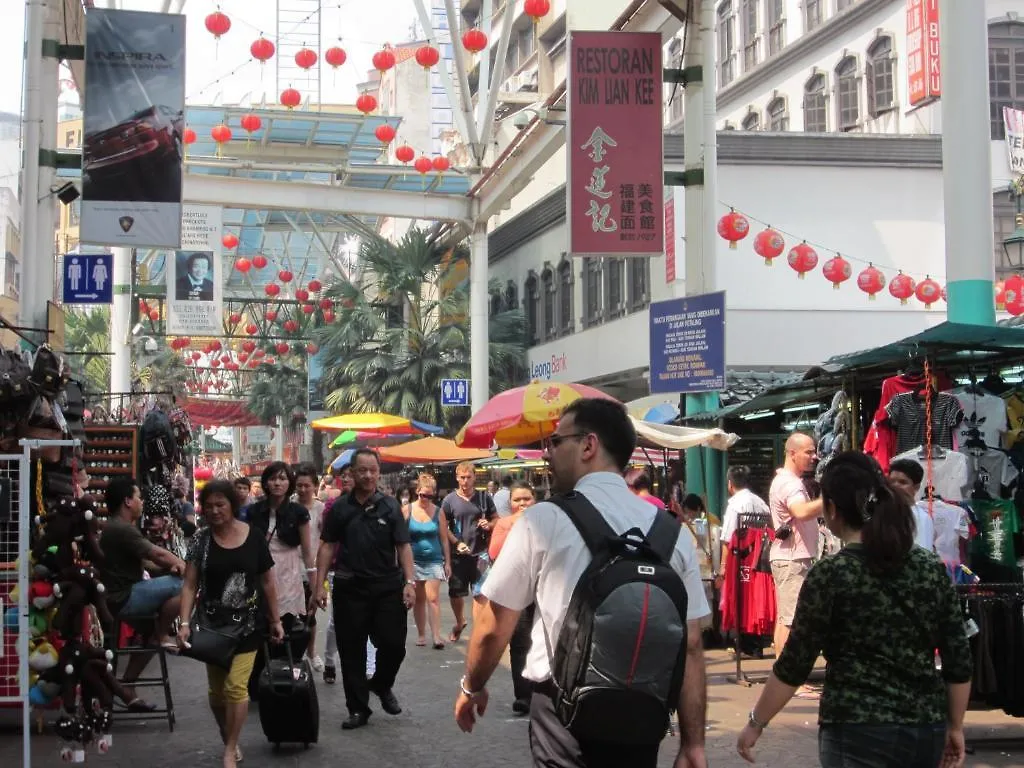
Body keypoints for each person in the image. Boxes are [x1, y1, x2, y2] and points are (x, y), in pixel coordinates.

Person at [454, 399, 710, 768]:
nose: (548, 454)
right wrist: (693, 744)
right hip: (643, 718)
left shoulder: (544, 520)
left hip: (563, 715)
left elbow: (494, 627)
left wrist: (472, 686)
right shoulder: (672, 533)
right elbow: (692, 647)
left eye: (556, 443)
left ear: (589, 446)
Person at [736, 452, 972, 768]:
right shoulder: (929, 567)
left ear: (831, 509)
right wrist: (954, 726)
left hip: (855, 729)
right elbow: (958, 658)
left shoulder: (831, 575)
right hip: (923, 727)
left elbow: (794, 664)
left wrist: (756, 723)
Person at [176, 480, 284, 768]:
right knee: (217, 693)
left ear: (233, 506)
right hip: (213, 626)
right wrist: (184, 622)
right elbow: (189, 584)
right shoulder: (201, 540)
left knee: (236, 687)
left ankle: (230, 749)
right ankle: (228, 737)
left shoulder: (255, 537)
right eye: (209, 506)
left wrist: (276, 619)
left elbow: (267, 581)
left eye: (220, 504)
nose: (214, 511)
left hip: (249, 624)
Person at [311, 449, 416, 730]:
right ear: (352, 473)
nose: (368, 475)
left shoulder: (391, 506)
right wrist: (319, 585)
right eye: (362, 470)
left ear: (379, 473)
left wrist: (410, 582)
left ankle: (381, 684)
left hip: (387, 587)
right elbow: (327, 546)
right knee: (351, 651)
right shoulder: (340, 508)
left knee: (394, 645)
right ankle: (358, 709)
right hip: (350, 587)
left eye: (373, 470)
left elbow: (403, 546)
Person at [100, 478, 187, 707]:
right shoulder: (121, 529)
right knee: (186, 585)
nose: (142, 502)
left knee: (152, 633)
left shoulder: (121, 528)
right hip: (123, 598)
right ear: (128, 501)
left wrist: (170, 569)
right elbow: (156, 554)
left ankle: (128, 685)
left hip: (125, 595)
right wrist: (182, 566)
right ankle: (161, 633)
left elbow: (147, 565)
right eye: (139, 497)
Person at [244, 462, 314, 692]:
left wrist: (314, 585)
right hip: (259, 569)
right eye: (273, 478)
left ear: (289, 483)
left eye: (282, 479)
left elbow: (307, 550)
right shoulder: (254, 511)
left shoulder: (298, 512)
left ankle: (281, 672)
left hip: (288, 571)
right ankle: (256, 678)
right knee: (258, 622)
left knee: (287, 622)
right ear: (265, 482)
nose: (277, 483)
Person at [768, 433, 823, 663]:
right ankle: (788, 678)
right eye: (809, 452)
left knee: (786, 618)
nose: (815, 457)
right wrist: (831, 499)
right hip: (792, 559)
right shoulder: (789, 483)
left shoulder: (788, 481)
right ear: (792, 453)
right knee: (790, 619)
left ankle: (785, 674)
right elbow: (800, 511)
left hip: (793, 558)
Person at [486, 480, 536, 714]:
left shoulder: (546, 522)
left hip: (544, 591)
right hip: (518, 594)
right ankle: (524, 696)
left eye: (527, 498)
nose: (523, 503)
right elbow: (494, 553)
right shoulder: (504, 523)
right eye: (518, 500)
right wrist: (515, 524)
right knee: (520, 645)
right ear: (510, 503)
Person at [441, 462, 496, 642]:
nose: (465, 481)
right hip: (459, 556)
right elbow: (443, 527)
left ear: (474, 477)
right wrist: (456, 543)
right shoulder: (449, 500)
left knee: (480, 593)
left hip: (480, 554)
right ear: (457, 478)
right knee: (456, 594)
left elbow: (496, 519)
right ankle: (460, 622)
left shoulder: (484, 498)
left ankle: (478, 632)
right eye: (462, 477)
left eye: (469, 477)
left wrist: (489, 524)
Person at [403, 473, 451, 649]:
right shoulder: (407, 510)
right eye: (423, 495)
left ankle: (437, 636)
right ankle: (422, 635)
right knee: (419, 599)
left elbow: (444, 539)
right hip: (413, 561)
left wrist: (448, 562)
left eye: (430, 496)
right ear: (417, 492)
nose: (426, 498)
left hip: (434, 560)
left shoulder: (439, 512)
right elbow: (400, 539)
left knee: (433, 598)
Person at [322, 463, 353, 685]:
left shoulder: (376, 504)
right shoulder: (334, 505)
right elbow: (327, 541)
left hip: (367, 571)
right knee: (337, 619)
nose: (350, 479)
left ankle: (367, 670)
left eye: (353, 475)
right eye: (346, 476)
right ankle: (329, 660)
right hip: (338, 569)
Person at [716, 465, 770, 591]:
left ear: (730, 484)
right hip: (761, 563)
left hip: (740, 563)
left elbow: (728, 540)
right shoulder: (762, 504)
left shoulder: (735, 505)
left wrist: (723, 568)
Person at [294, 463, 326, 670]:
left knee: (309, 614)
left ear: (315, 486)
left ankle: (312, 652)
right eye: (299, 486)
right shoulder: (288, 507)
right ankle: (294, 655)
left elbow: (326, 539)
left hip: (312, 569)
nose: (303, 490)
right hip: (289, 569)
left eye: (307, 485)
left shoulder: (321, 509)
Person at [888, 459, 938, 553]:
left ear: (916, 487)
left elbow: (922, 556)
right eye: (892, 481)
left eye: (902, 482)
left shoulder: (920, 518)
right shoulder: (882, 512)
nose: (895, 486)